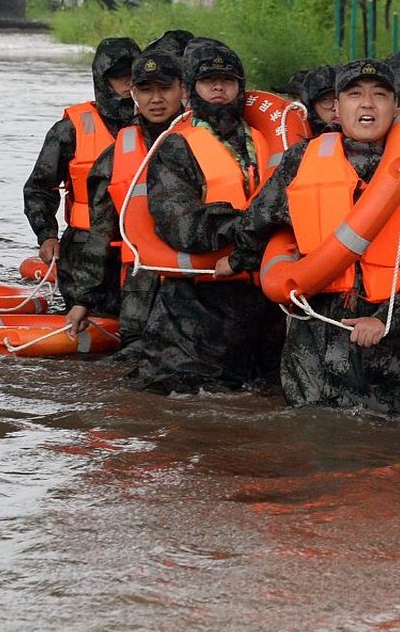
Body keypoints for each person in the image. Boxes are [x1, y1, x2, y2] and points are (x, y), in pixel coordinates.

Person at [223, 59, 400, 415]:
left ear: (395, 108)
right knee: (307, 441)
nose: (367, 104)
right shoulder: (301, 159)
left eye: (380, 95)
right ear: (337, 105)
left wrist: (387, 321)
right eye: (354, 94)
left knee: (380, 454)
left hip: (388, 348)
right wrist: (237, 260)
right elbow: (256, 225)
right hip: (313, 341)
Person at [129, 38, 286, 395]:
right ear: (190, 89)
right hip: (194, 317)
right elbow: (183, 226)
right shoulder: (175, 146)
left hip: (261, 308)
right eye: (208, 80)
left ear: (240, 87)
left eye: (227, 80)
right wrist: (255, 226)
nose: (218, 86)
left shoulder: (268, 142)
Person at [65, 48, 186, 353]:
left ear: (183, 89)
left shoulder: (209, 142)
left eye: (165, 89)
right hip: (139, 288)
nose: (155, 99)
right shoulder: (117, 154)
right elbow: (101, 232)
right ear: (133, 94)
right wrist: (83, 299)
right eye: (146, 90)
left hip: (196, 288)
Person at [22, 36, 140, 311]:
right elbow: (39, 188)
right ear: (102, 79)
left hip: (138, 247)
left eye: (132, 74)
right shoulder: (69, 129)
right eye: (118, 76)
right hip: (83, 247)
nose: (127, 83)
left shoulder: (158, 125)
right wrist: (47, 234)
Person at [301, 64, 339, 134]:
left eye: (340, 99)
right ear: (311, 107)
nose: (336, 108)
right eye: (326, 100)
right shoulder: (300, 142)